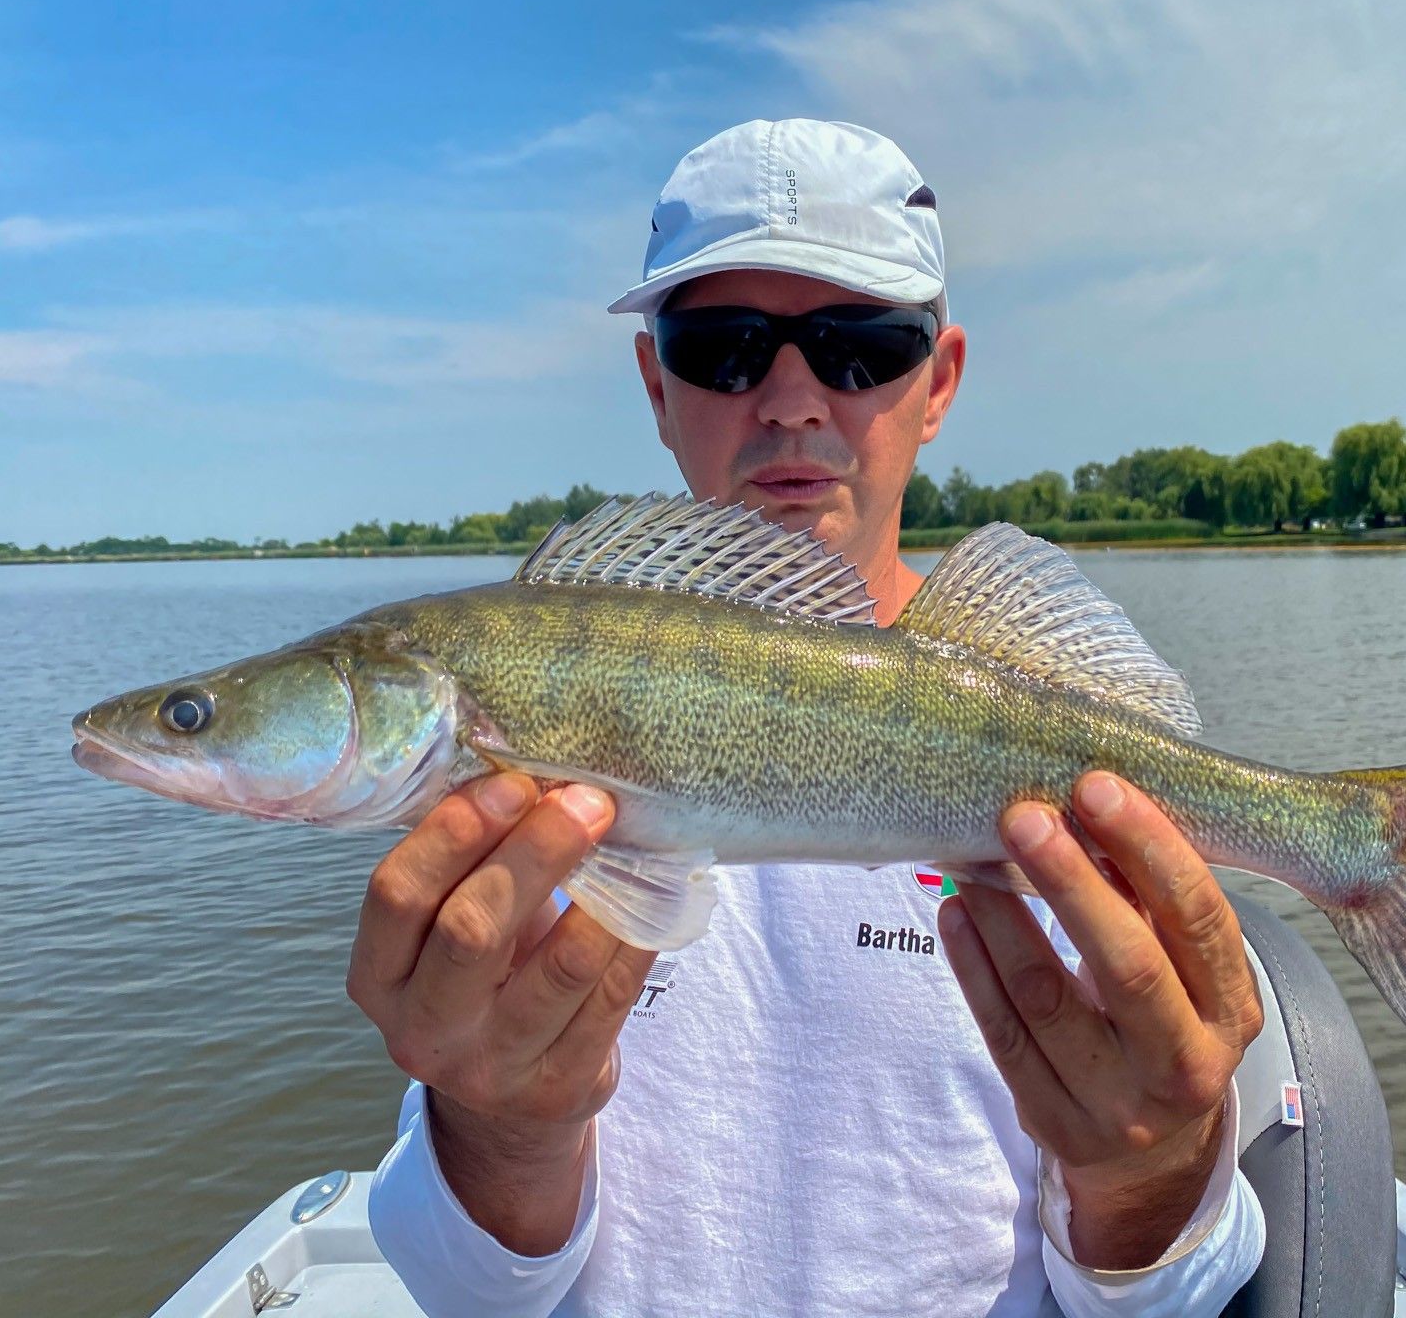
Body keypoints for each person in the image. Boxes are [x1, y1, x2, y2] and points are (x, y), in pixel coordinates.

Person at [353, 119, 1268, 1316]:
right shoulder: (504, 797)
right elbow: (476, 1292)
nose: (791, 400)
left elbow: (1170, 1295)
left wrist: (1151, 1172)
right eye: (725, 348)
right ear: (655, 385)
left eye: (859, 347)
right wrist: (499, 1138)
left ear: (936, 382)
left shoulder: (1069, 737)